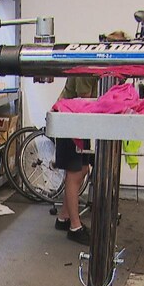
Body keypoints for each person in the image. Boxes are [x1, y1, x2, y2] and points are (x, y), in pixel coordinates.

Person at [53, 76, 97, 245]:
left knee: (83, 169)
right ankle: (75, 228)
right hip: (68, 118)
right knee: (75, 172)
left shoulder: (95, 66)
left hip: (77, 120)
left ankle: (64, 217)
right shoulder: (86, 68)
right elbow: (85, 99)